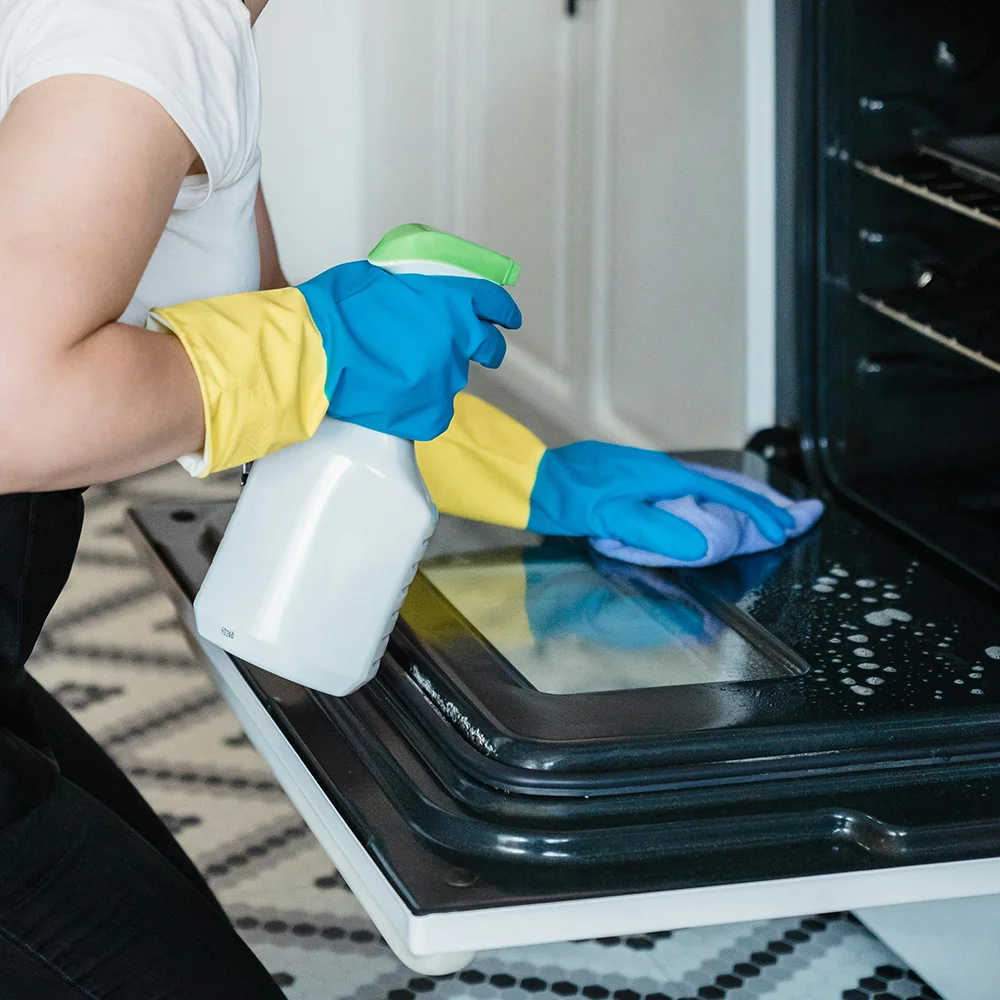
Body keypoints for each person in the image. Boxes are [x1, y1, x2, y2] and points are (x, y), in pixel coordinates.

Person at [0, 0, 796, 995]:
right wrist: (326, 339)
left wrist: (535, 478)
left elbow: (250, 344)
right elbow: (16, 407)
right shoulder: (149, 21)